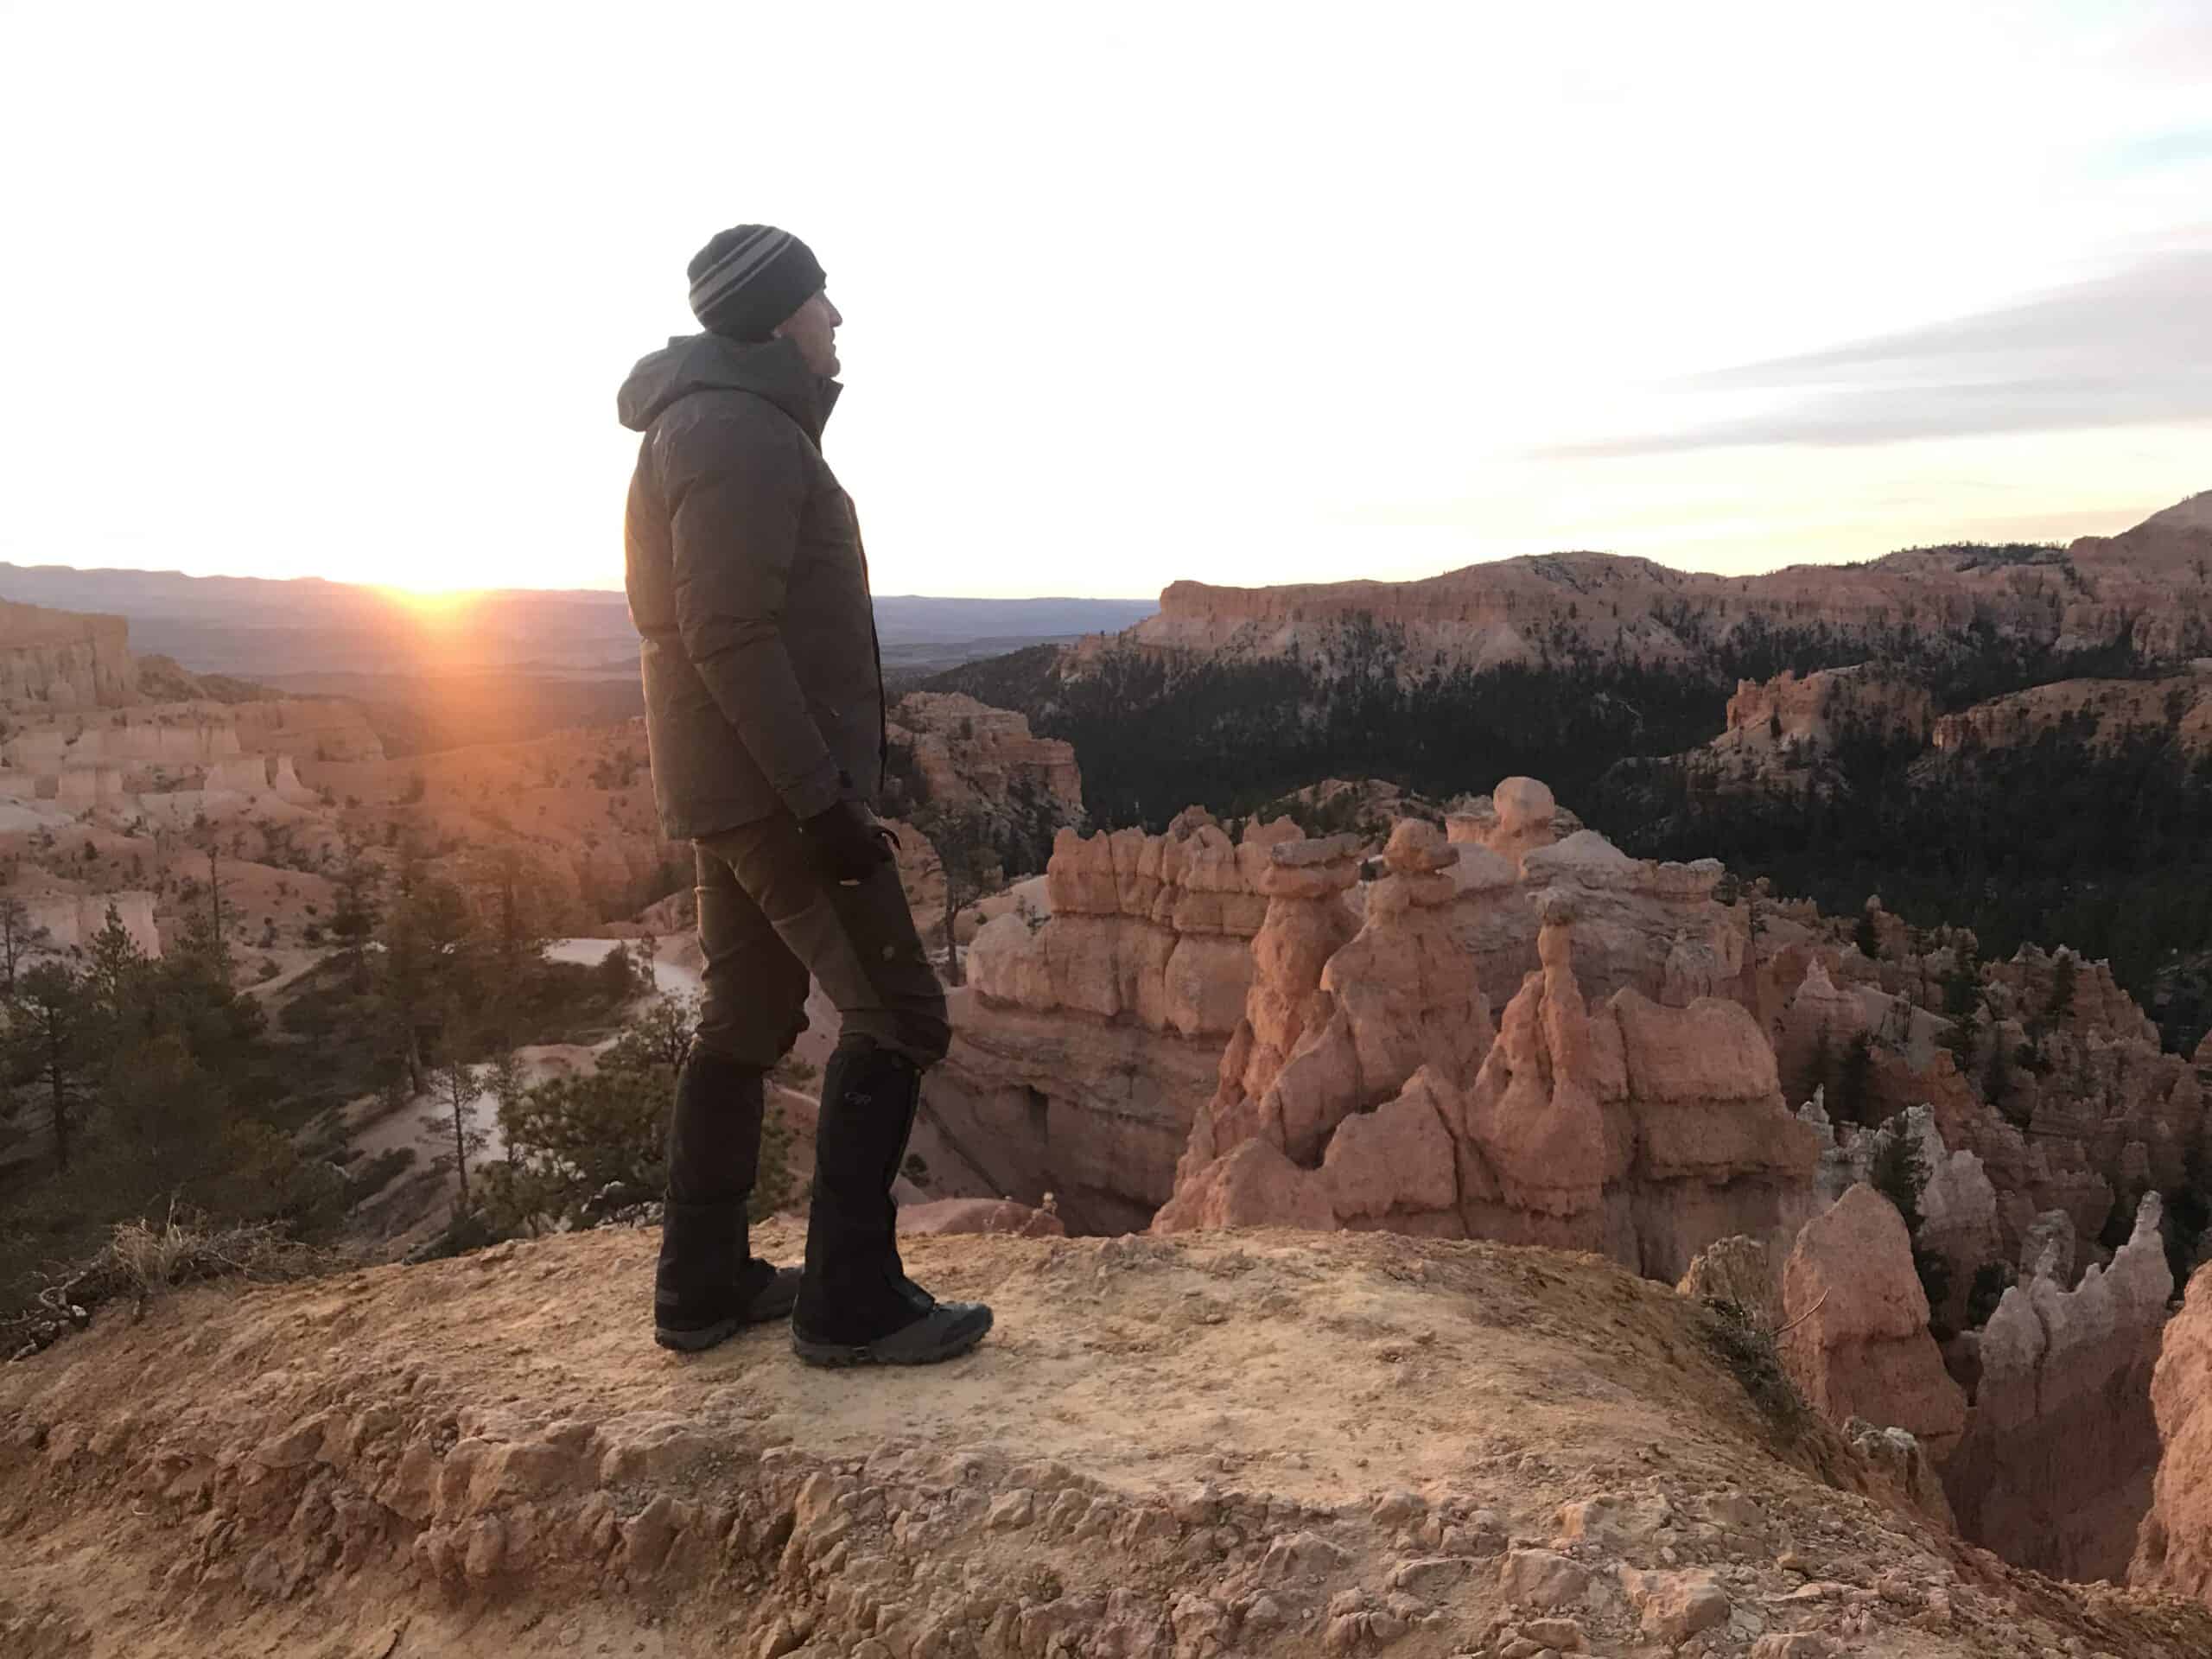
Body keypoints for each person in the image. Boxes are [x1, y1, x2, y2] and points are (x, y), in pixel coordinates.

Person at [616, 224, 992, 1367]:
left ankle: (704, 1282)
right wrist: (820, 796)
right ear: (780, 317)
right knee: (899, 1014)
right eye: (825, 304)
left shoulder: (717, 421)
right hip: (771, 791)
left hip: (727, 787)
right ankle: (850, 1302)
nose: (839, 324)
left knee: (745, 1020)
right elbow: (727, 633)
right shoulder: (736, 428)